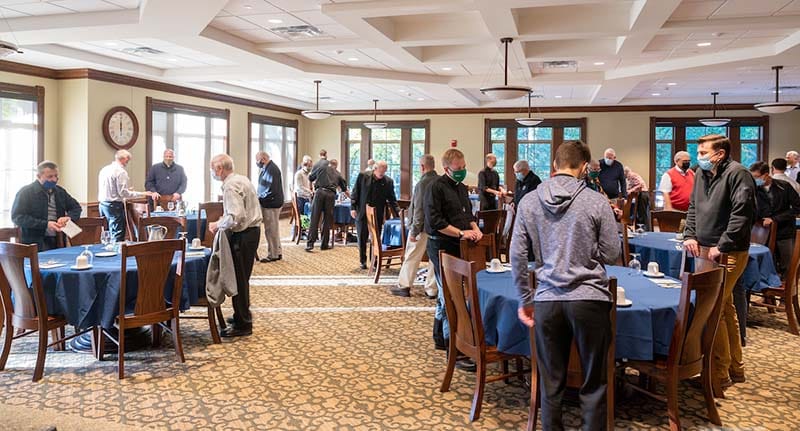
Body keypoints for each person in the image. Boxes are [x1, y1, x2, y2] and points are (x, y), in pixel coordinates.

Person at [512, 139, 619, 430]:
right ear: (584, 167)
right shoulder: (596, 201)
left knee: (551, 381)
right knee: (593, 381)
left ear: (554, 166)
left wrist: (526, 298)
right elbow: (612, 253)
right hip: (590, 299)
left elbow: (517, 255)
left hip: (547, 299)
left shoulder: (530, 200)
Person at [683, 134, 755, 397]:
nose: (698, 156)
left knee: (713, 307)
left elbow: (742, 214)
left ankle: (718, 373)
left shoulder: (739, 174)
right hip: (704, 247)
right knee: (724, 307)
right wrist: (689, 234)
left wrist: (721, 245)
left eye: (703, 151)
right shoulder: (701, 175)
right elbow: (693, 207)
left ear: (720, 154)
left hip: (729, 251)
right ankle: (736, 368)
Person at [425, 148, 483, 370]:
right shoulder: (435, 188)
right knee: (450, 295)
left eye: (464, 167)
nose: (462, 172)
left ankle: (439, 336)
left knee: (445, 294)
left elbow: (467, 215)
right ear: (447, 168)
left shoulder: (461, 188)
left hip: (459, 246)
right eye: (459, 169)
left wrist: (475, 228)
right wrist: (461, 233)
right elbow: (436, 221)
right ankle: (454, 349)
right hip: (440, 245)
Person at [208, 154, 262, 337]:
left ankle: (243, 324)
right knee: (242, 277)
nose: (212, 173)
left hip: (244, 235)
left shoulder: (230, 186)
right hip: (252, 232)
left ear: (220, 169)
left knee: (239, 279)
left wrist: (217, 225)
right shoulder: (242, 179)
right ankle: (241, 314)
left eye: (213, 169)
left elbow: (235, 216)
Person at [391, 154, 438, 298]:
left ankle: (404, 285)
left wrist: (414, 231)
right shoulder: (440, 182)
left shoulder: (422, 184)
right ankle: (432, 289)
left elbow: (419, 210)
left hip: (422, 227)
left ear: (422, 167)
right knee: (434, 259)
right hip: (437, 227)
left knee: (412, 255)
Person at [11, 161, 82, 251]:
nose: (54, 180)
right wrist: (46, 224)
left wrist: (68, 217)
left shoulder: (60, 192)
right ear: (38, 176)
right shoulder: (25, 192)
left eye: (56, 176)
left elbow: (76, 208)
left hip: (58, 238)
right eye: (50, 177)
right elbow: (17, 217)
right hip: (35, 240)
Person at [749, 161, 800, 277]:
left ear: (766, 175)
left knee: (786, 266)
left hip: (784, 231)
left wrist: (775, 219)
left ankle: (785, 293)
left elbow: (797, 208)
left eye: (756, 177)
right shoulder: (754, 189)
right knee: (767, 266)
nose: (754, 180)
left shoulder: (784, 186)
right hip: (762, 233)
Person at [98, 150, 159, 242]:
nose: (128, 161)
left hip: (103, 205)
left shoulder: (105, 169)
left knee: (106, 235)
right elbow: (123, 193)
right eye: (128, 159)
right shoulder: (121, 172)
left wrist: (126, 191)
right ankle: (117, 255)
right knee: (117, 235)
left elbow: (111, 189)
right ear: (123, 159)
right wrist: (143, 193)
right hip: (114, 206)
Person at [351, 160, 400, 270]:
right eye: (380, 172)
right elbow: (355, 192)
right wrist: (353, 207)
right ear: (375, 169)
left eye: (384, 172)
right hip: (362, 211)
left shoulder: (388, 182)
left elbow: (392, 199)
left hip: (377, 213)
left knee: (376, 239)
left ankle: (374, 260)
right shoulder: (363, 176)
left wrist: (398, 213)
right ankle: (362, 260)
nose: (382, 175)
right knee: (362, 237)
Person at [306, 149, 341, 251]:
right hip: (330, 195)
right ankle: (324, 244)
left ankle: (310, 244)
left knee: (315, 217)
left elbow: (311, 178)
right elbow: (343, 188)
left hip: (320, 192)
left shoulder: (320, 166)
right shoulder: (337, 173)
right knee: (327, 219)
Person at [255, 151, 284, 263]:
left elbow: (271, 190)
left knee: (271, 230)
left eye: (257, 161)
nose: (257, 163)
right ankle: (278, 251)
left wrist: (259, 198)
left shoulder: (272, 169)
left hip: (271, 204)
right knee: (273, 229)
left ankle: (273, 254)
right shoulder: (267, 168)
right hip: (269, 203)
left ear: (263, 159)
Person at [624, 165, 651, 230]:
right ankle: (641, 228)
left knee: (642, 213)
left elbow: (640, 185)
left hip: (643, 194)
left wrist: (630, 190)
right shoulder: (630, 177)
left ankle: (645, 229)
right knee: (640, 213)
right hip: (641, 195)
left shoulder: (632, 175)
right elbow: (633, 185)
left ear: (625, 173)